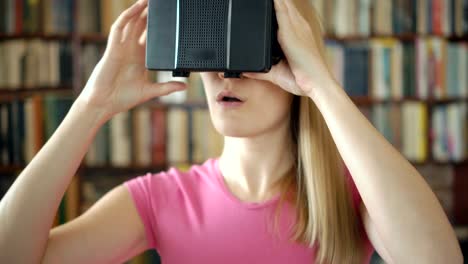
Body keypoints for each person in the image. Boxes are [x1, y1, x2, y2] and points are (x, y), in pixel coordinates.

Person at [0, 0, 463, 263]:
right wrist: (91, 105)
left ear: (291, 58)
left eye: (247, 52)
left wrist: (320, 85)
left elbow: (437, 259)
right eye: (212, 53)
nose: (227, 74)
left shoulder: (351, 196)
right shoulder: (161, 200)